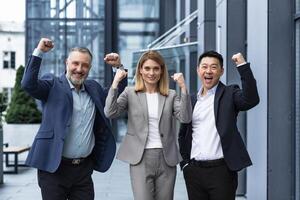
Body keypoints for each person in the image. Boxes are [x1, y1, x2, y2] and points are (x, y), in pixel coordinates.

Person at [21, 38, 127, 200]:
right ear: (66, 63)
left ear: (89, 68)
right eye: (75, 63)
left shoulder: (94, 88)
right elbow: (28, 84)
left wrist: (118, 68)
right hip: (53, 169)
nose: (79, 69)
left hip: (83, 171)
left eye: (85, 65)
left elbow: (116, 93)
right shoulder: (52, 84)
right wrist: (39, 52)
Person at [104, 50, 192, 200]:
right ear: (140, 70)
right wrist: (115, 83)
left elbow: (185, 117)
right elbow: (110, 112)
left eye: (156, 68)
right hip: (140, 158)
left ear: (161, 71)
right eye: (147, 68)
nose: (152, 73)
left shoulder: (170, 95)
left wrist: (183, 88)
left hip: (166, 158)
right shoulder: (130, 93)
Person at [178, 50, 259, 200]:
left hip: (222, 171)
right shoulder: (191, 100)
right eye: (204, 66)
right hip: (194, 172)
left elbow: (251, 99)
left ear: (221, 71)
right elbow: (183, 134)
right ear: (198, 70)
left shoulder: (230, 93)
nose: (208, 71)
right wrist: (185, 164)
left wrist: (242, 65)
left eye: (214, 67)